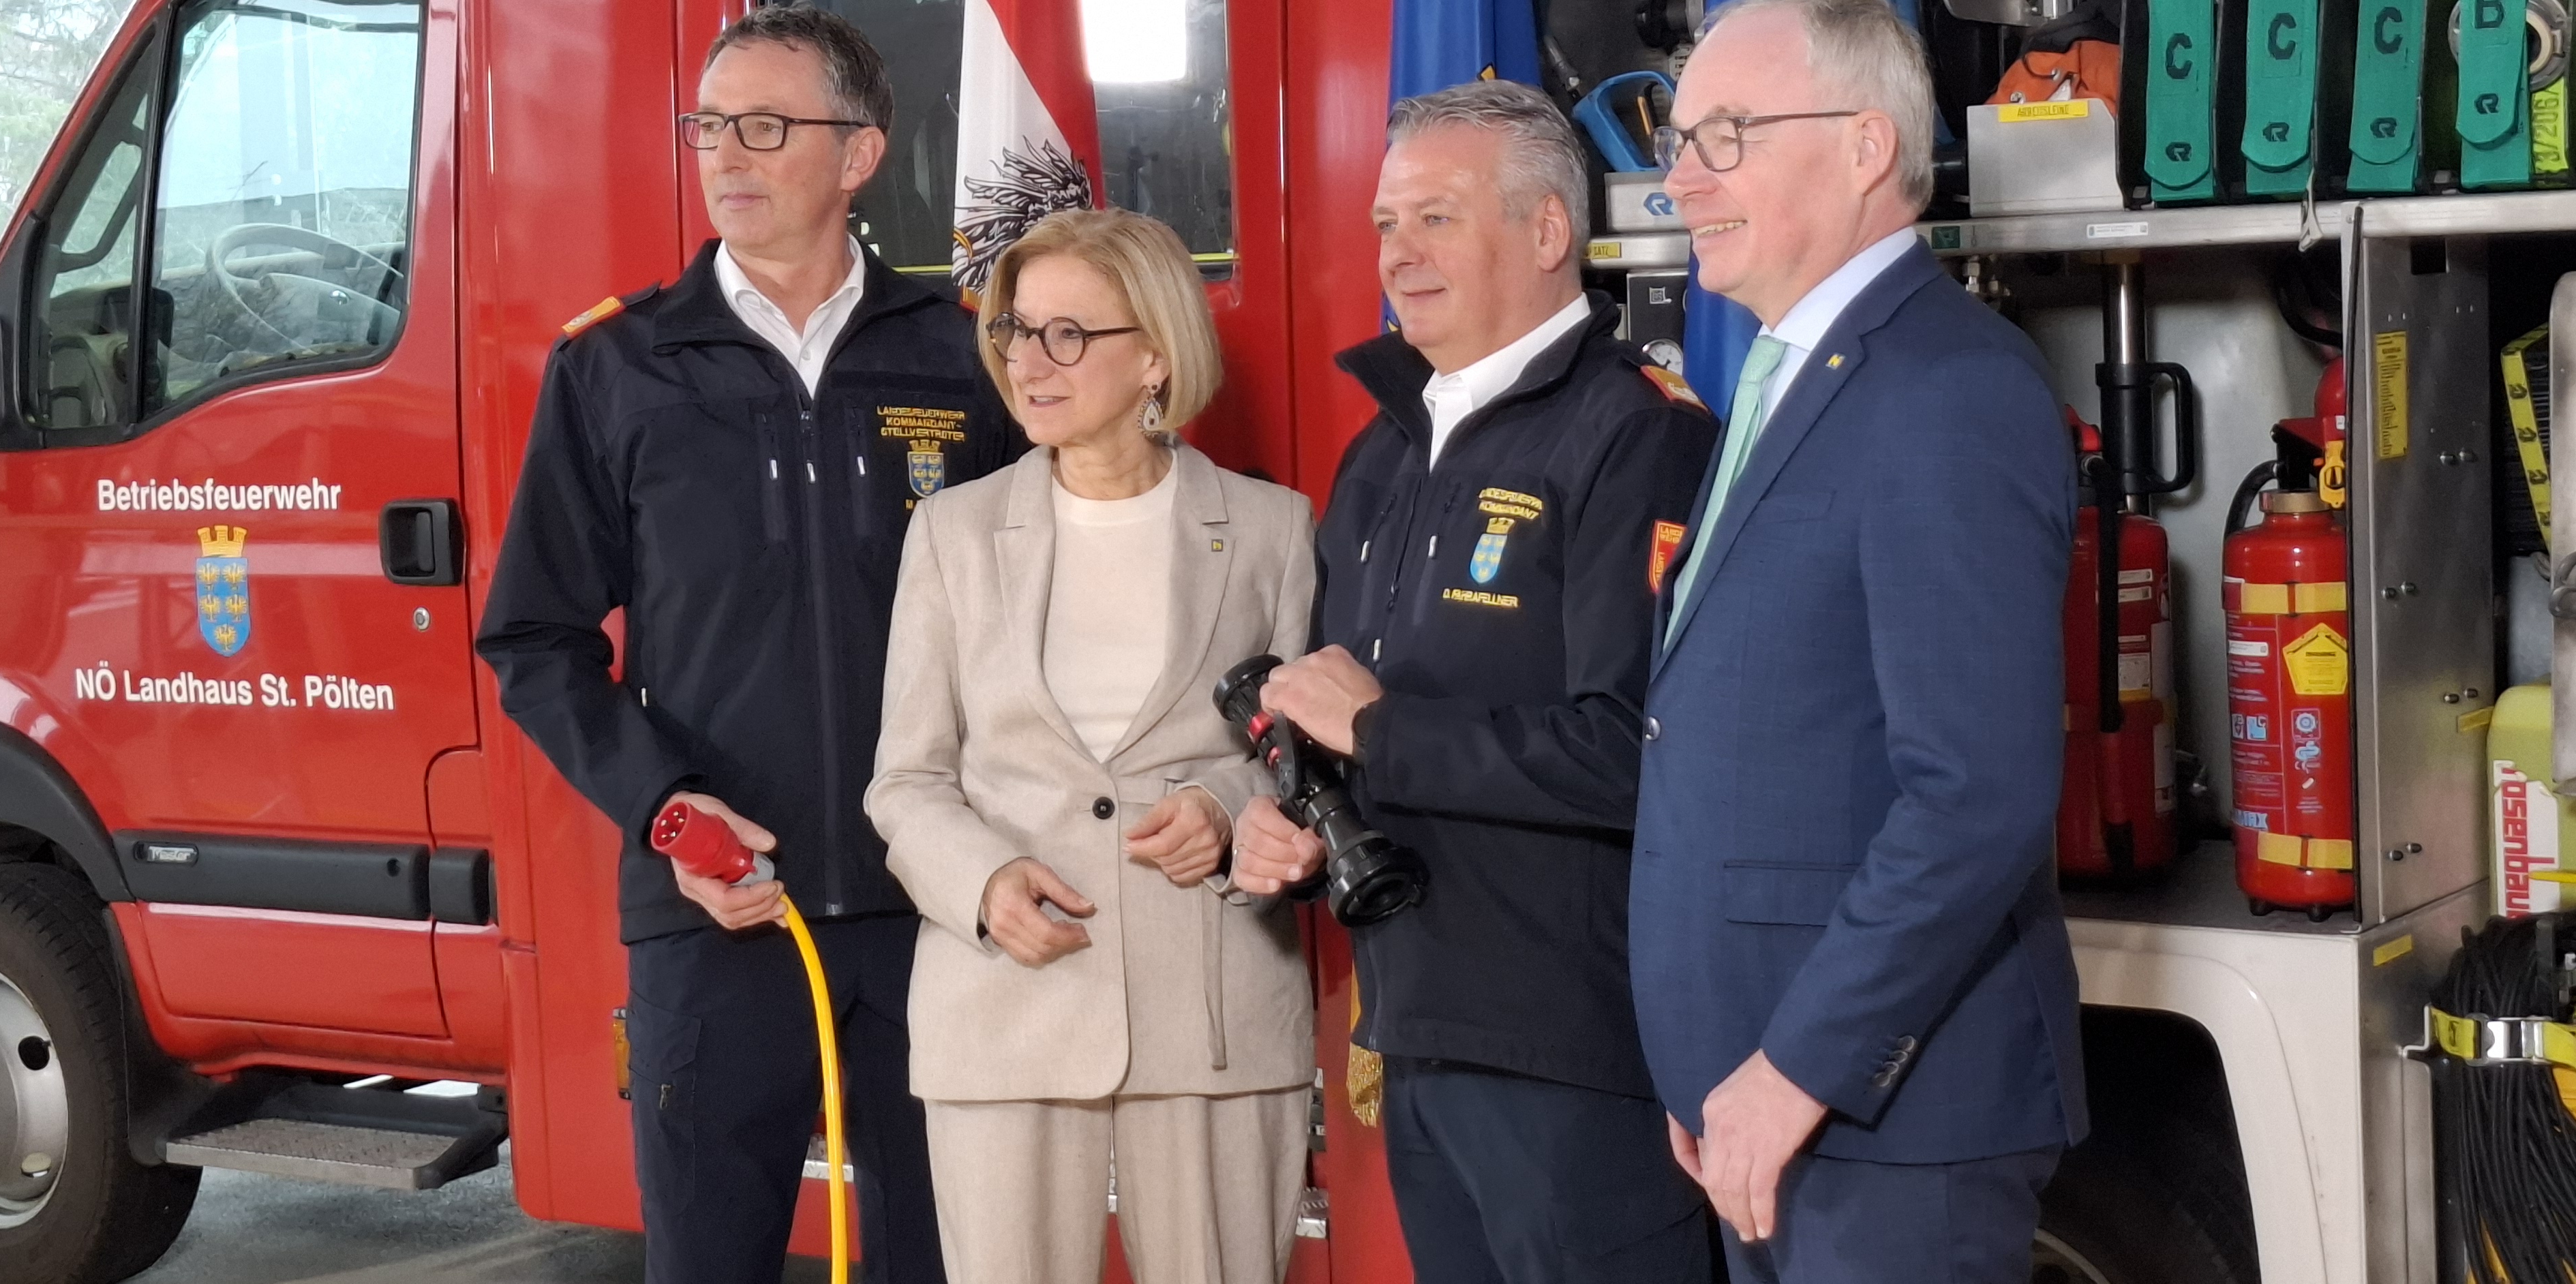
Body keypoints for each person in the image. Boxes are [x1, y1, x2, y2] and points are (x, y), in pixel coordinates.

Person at [475, 8, 1018, 1282]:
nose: (728, 155)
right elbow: (535, 636)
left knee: (943, 1263)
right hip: (716, 919)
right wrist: (668, 816)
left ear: (860, 153)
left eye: (767, 128)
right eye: (710, 126)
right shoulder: (618, 367)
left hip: (931, 914)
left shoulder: (962, 358)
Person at [1228, 80, 1719, 1283]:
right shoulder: (1382, 451)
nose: (1399, 254)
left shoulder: (1636, 436)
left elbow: (1638, 753)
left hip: (1579, 1055)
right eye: (1388, 224)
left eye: (1437, 219)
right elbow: (1339, 719)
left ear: (1549, 232)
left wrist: (1384, 730)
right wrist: (1290, 817)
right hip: (1419, 1036)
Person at [1630, 1, 2090, 1281]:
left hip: (1883, 1121)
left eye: (1725, 136)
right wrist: (1717, 1061)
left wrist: (1794, 1073)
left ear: (1863, 145)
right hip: (1767, 1105)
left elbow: (1976, 797)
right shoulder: (1794, 373)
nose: (1680, 181)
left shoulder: (1948, 390)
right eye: (1679, 141)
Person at [866, 208, 1318, 1284]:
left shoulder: (1271, 528)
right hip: (1006, 997)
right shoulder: (952, 532)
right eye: (1018, 331)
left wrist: (1220, 803)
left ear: (1156, 353)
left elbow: (1303, 759)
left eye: (1070, 334)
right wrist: (980, 884)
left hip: (1213, 1009)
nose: (1030, 360)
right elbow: (907, 778)